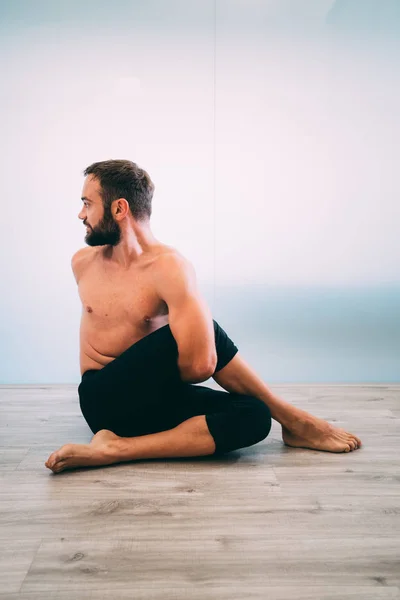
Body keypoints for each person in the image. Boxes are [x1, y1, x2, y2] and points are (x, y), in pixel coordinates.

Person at [45, 160, 362, 474]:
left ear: (119, 209)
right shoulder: (83, 263)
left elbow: (200, 365)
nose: (81, 214)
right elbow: (200, 364)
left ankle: (116, 449)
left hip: (152, 400)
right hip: (103, 399)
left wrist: (179, 354)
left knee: (254, 415)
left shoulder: (169, 268)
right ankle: (295, 420)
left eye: (88, 204)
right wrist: (185, 344)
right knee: (204, 329)